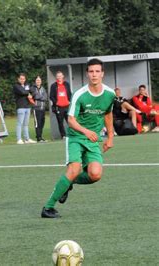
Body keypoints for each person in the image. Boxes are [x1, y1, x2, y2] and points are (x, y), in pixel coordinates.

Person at [41, 58, 116, 218]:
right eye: (91, 71)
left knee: (95, 174)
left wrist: (110, 137)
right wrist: (86, 131)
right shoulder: (79, 94)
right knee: (74, 169)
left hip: (93, 140)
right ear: (87, 74)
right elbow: (71, 120)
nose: (94, 75)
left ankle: (69, 183)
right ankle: (48, 208)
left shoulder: (110, 94)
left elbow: (108, 114)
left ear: (102, 73)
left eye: (97, 71)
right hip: (75, 137)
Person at [13, 73, 36, 144]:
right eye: (21, 79)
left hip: (28, 107)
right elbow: (22, 92)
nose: (22, 80)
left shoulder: (27, 85)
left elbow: (33, 91)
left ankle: (27, 139)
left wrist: (30, 93)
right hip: (21, 107)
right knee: (20, 123)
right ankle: (19, 139)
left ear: (25, 79)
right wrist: (28, 93)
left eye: (23, 79)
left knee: (26, 124)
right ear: (18, 79)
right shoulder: (16, 86)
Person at [50, 71, 72, 139]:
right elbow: (51, 96)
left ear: (63, 76)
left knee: (70, 121)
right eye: (58, 76)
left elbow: (70, 94)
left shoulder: (67, 84)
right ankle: (63, 135)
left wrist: (69, 101)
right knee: (60, 122)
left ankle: (72, 134)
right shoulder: (53, 85)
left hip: (67, 106)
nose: (59, 77)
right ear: (56, 77)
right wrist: (56, 102)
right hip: (58, 107)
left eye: (60, 76)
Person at [31, 76, 48, 142]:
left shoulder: (43, 88)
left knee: (42, 123)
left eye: (39, 80)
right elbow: (35, 96)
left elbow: (45, 97)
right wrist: (41, 97)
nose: (38, 81)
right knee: (37, 123)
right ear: (35, 81)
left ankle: (40, 136)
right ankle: (38, 137)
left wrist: (39, 97)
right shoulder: (33, 88)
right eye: (37, 80)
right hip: (36, 108)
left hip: (42, 108)